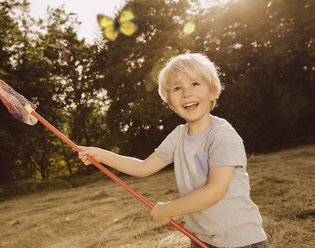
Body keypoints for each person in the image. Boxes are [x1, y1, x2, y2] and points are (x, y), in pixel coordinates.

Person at [78, 53, 269, 248]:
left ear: (213, 91)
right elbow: (143, 167)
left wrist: (169, 209)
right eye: (177, 88)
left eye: (195, 84)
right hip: (202, 239)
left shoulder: (222, 135)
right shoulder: (178, 137)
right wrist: (101, 155)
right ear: (170, 103)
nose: (187, 93)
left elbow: (214, 192)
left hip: (240, 241)